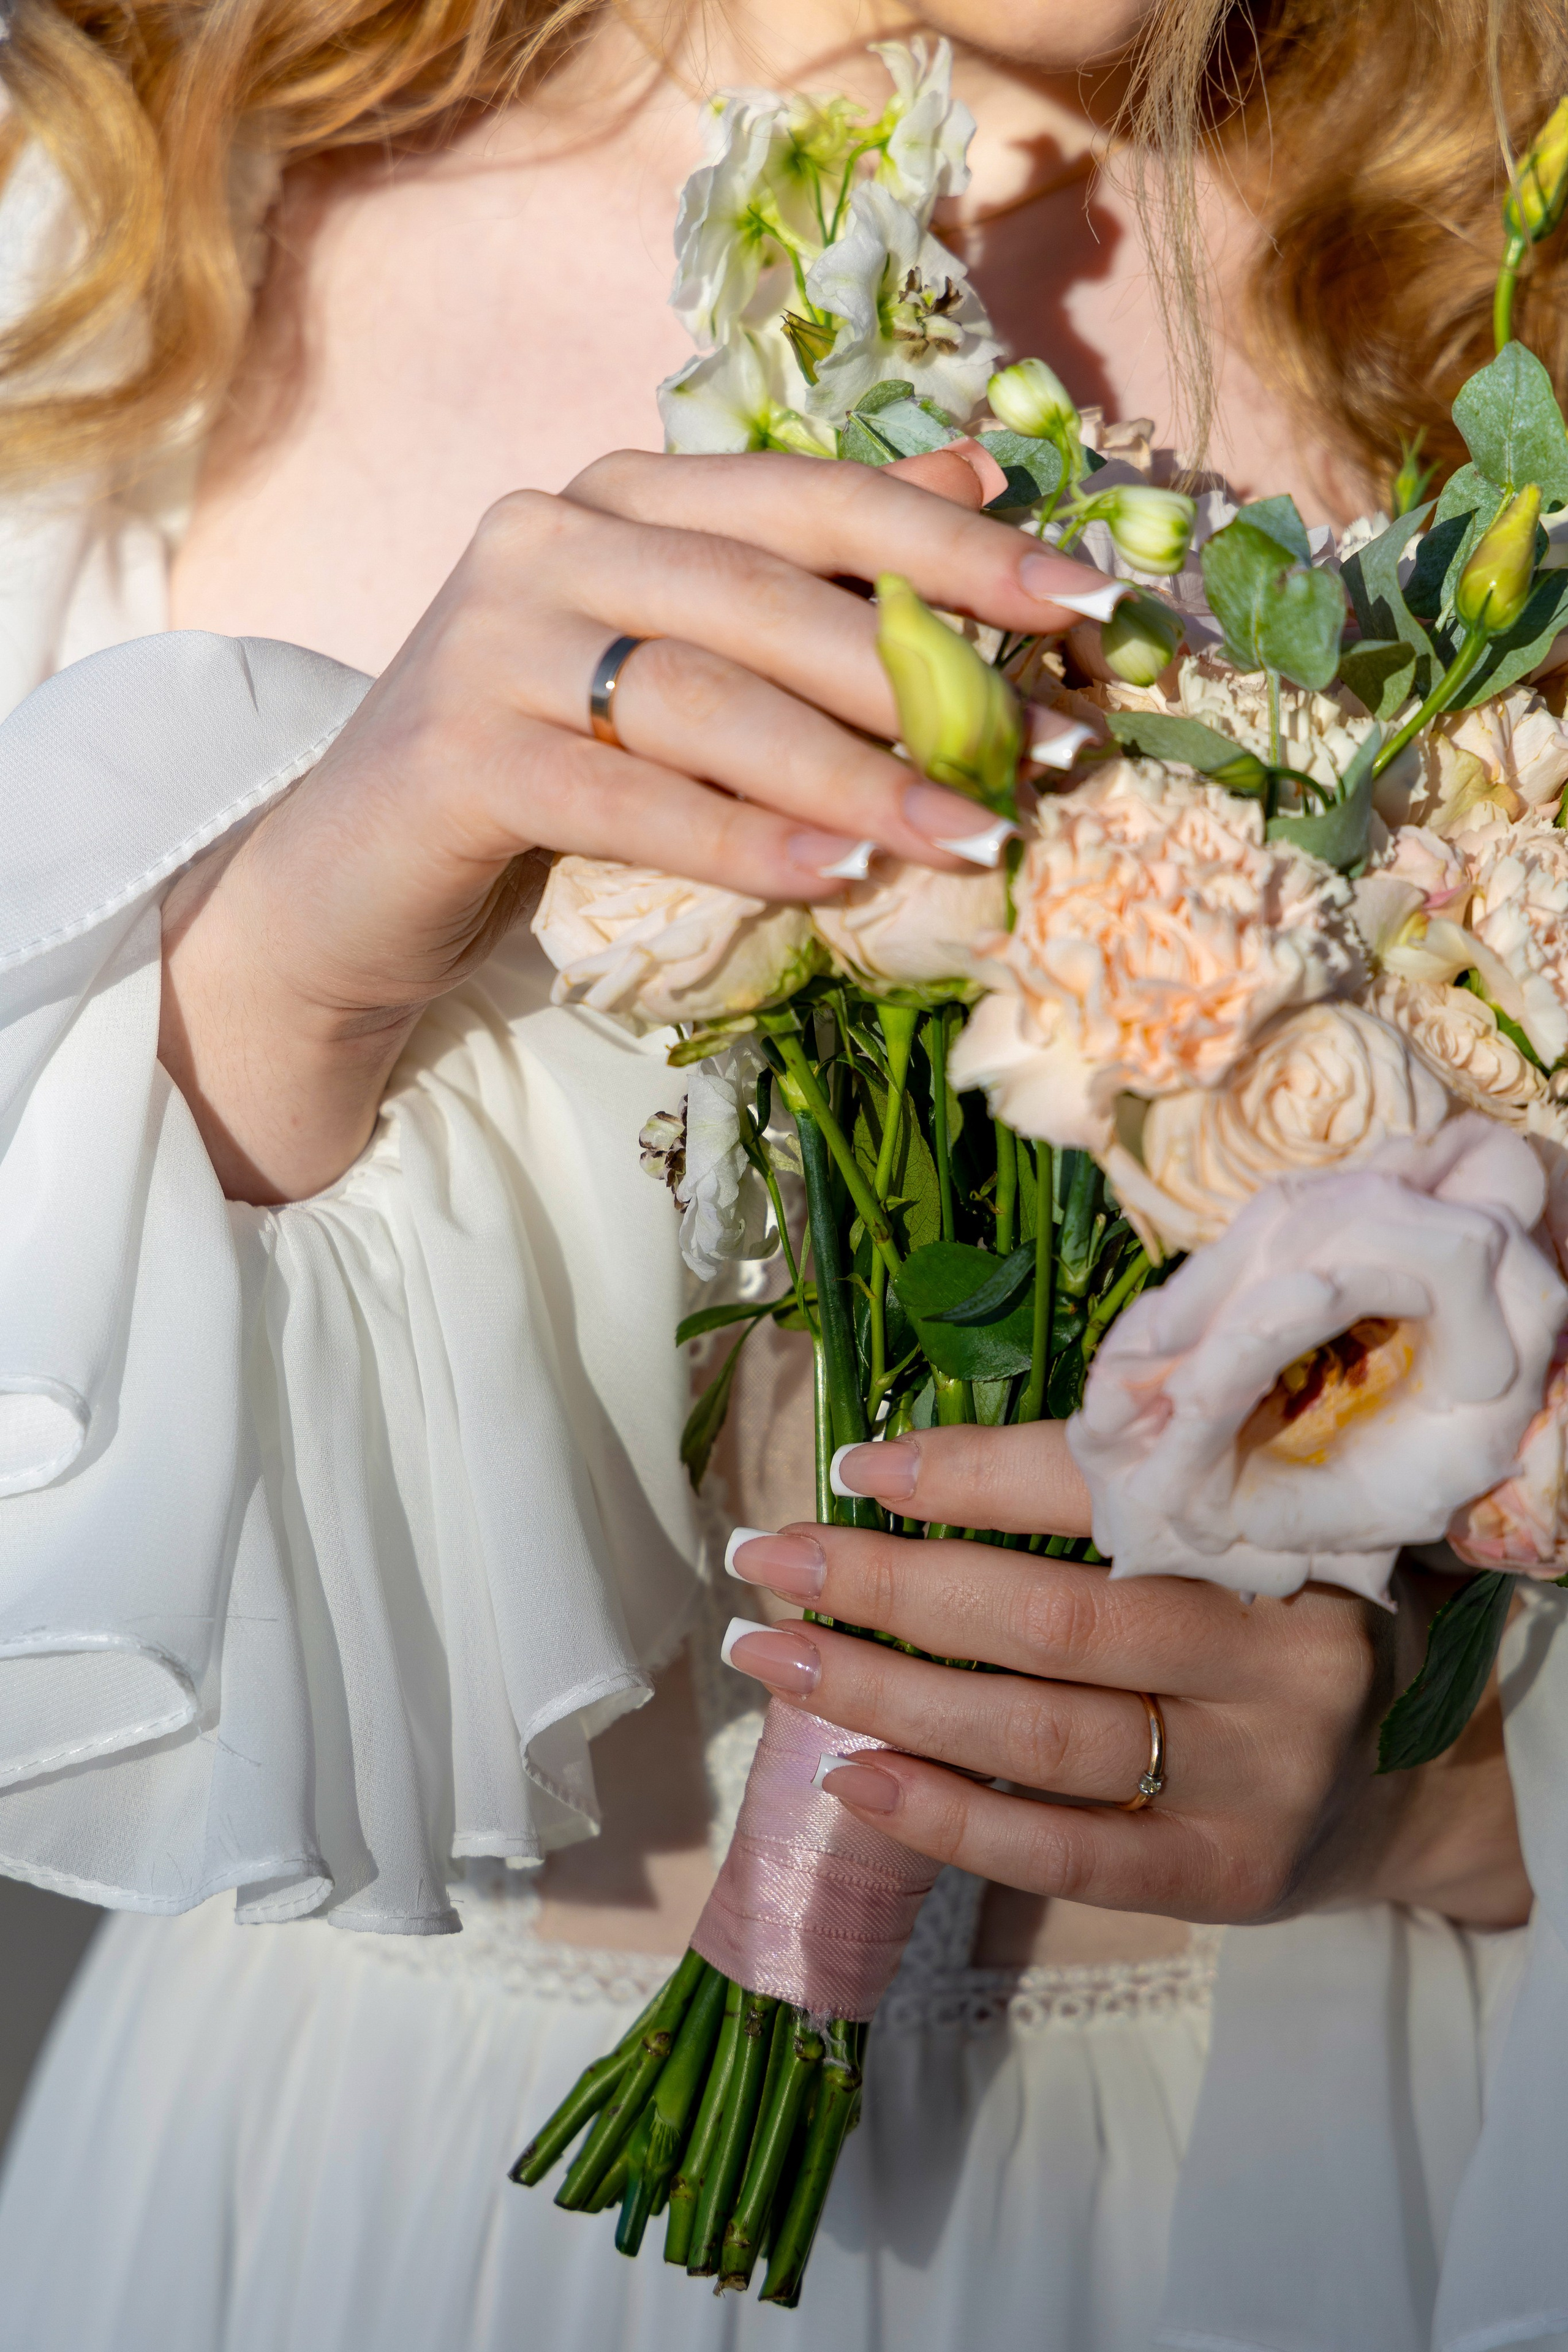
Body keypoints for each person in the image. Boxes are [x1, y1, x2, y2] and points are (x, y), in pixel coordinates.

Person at [0, 2, 1561, 2348]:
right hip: (367, 2225)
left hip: (1316, 2188)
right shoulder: (108, 257)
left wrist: (1452, 1807)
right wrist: (298, 960)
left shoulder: (1502, 255)